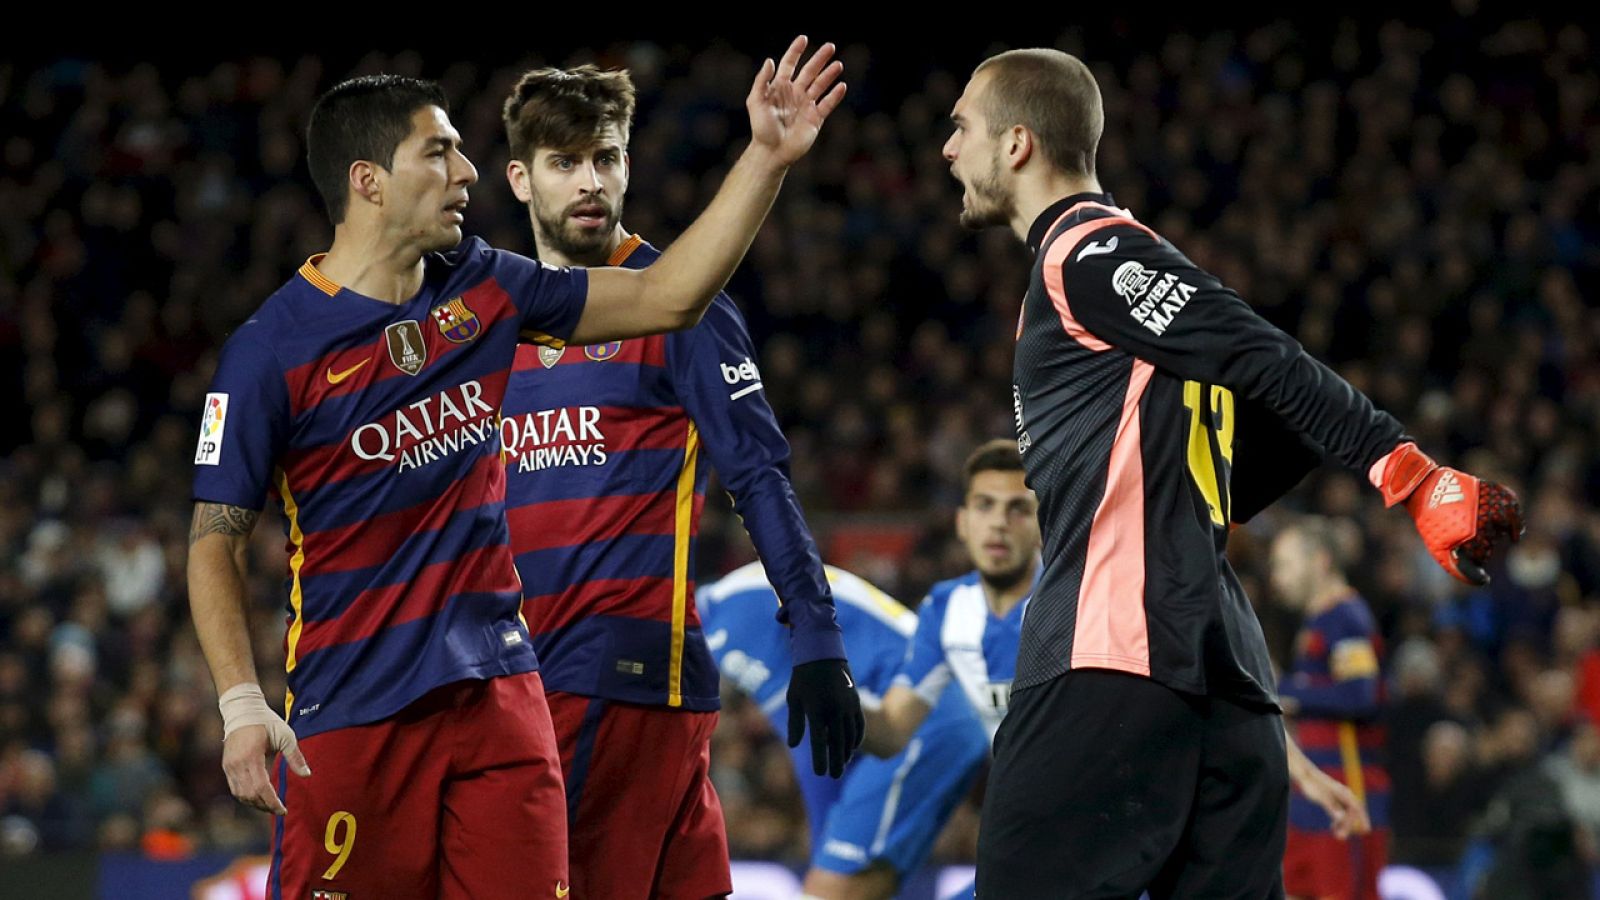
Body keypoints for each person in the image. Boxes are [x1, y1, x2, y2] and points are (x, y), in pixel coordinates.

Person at [186, 36, 849, 898]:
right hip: (354, 710)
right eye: (441, 151)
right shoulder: (268, 352)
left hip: (510, 697)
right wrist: (240, 699)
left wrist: (765, 158)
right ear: (368, 180)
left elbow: (669, 297)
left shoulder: (487, 292)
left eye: (464, 148)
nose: (467, 171)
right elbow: (212, 537)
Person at [938, 48, 1524, 898]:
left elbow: (1259, 350)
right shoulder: (1118, 280)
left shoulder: (1082, 252)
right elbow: (1272, 411)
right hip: (1232, 693)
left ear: (1018, 143)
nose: (948, 148)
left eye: (961, 126)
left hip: (1107, 665)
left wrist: (1410, 474)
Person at [495, 63, 862, 899]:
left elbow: (759, 474)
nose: (592, 182)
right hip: (539, 685)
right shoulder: (497, 321)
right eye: (565, 162)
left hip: (614, 683)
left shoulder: (678, 304)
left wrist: (814, 630)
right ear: (520, 177)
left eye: (608, 159)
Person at [698, 563, 989, 900]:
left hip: (922, 721)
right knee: (868, 890)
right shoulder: (741, 594)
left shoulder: (728, 627)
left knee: (829, 893)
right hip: (935, 716)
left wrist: (824, 844)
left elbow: (811, 737)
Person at [862, 439, 1039, 753]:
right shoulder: (945, 608)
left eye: (1019, 508)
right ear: (963, 523)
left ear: (1043, 524)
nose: (999, 523)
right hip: (1018, 796)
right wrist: (835, 698)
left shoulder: (1077, 598)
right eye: (985, 505)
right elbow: (892, 730)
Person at [1270, 516, 1391, 900]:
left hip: (1347, 796)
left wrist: (1286, 693)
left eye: (1286, 564)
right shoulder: (1319, 621)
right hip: (1313, 801)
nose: (1278, 577)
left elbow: (1360, 696)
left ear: (1320, 561)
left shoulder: (1346, 617)